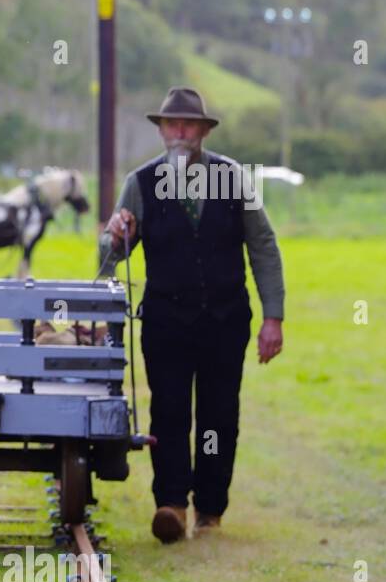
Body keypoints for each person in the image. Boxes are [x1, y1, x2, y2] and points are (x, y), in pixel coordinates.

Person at [101, 87, 285, 544]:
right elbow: (111, 258)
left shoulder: (233, 177)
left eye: (188, 124)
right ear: (162, 131)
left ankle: (210, 508)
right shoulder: (139, 183)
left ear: (203, 130)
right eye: (171, 124)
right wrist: (114, 235)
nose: (179, 132)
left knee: (220, 415)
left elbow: (263, 245)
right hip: (166, 321)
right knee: (168, 412)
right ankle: (171, 505)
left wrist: (273, 316)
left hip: (226, 320)